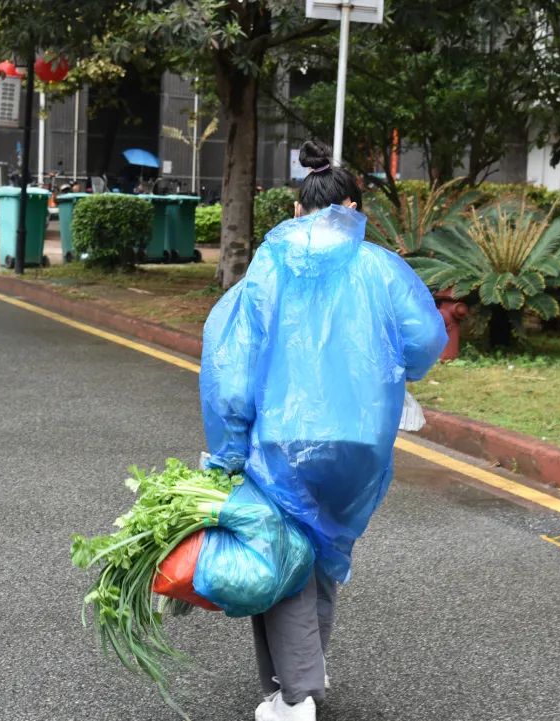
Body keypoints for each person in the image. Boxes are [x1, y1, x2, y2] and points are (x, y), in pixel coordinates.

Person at [200, 140, 448, 721]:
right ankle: (298, 680)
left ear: (295, 211)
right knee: (321, 551)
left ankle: (296, 694)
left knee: (279, 552)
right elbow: (426, 342)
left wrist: (231, 448)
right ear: (356, 208)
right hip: (359, 445)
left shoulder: (269, 266)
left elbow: (232, 365)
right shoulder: (382, 267)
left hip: (283, 439)